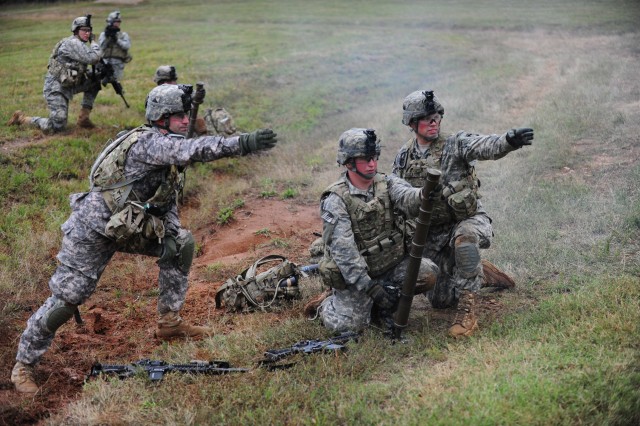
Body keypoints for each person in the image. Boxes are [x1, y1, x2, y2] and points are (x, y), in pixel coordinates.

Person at [10, 84, 278, 394]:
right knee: (67, 301)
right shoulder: (152, 144)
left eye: (185, 115)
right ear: (161, 119)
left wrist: (170, 236)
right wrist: (243, 143)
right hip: (93, 229)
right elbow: (195, 150)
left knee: (181, 244)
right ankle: (24, 363)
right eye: (178, 116)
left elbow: (167, 199)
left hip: (129, 225)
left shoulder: (167, 144)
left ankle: (169, 322)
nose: (184, 121)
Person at [391, 89, 534, 338]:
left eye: (437, 117)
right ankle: (475, 270)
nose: (434, 122)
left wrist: (508, 141)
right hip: (431, 234)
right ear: (412, 124)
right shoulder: (403, 157)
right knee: (441, 300)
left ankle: (468, 313)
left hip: (466, 220)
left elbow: (485, 145)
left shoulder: (455, 143)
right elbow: (397, 196)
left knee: (465, 239)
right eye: (427, 118)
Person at [316, 128, 438, 333]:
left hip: (391, 265)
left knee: (428, 273)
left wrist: (423, 195)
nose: (372, 164)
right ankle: (327, 305)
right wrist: (371, 288)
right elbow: (345, 253)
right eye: (365, 159)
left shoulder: (387, 183)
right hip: (357, 277)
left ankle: (386, 304)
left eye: (374, 157)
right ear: (348, 162)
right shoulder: (335, 200)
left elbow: (407, 195)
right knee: (349, 326)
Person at [7, 16, 102, 132]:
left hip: (69, 83)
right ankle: (22, 119)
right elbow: (94, 58)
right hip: (56, 87)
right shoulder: (73, 43)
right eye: (84, 30)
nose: (87, 33)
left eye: (89, 30)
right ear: (76, 31)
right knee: (58, 125)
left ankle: (84, 119)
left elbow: (78, 68)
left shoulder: (80, 45)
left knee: (95, 81)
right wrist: (93, 41)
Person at [153, 65, 237, 137]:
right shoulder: (154, 98)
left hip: (189, 128)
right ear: (159, 83)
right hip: (170, 132)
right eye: (166, 81)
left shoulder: (181, 91)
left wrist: (199, 95)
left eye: (173, 80)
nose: (171, 83)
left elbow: (195, 97)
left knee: (217, 114)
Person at [98, 10, 132, 82]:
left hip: (118, 64)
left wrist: (116, 39)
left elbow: (127, 46)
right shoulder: (103, 35)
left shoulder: (123, 35)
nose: (117, 23)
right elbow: (102, 47)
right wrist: (108, 37)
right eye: (116, 21)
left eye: (119, 22)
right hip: (105, 62)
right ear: (110, 22)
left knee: (117, 82)